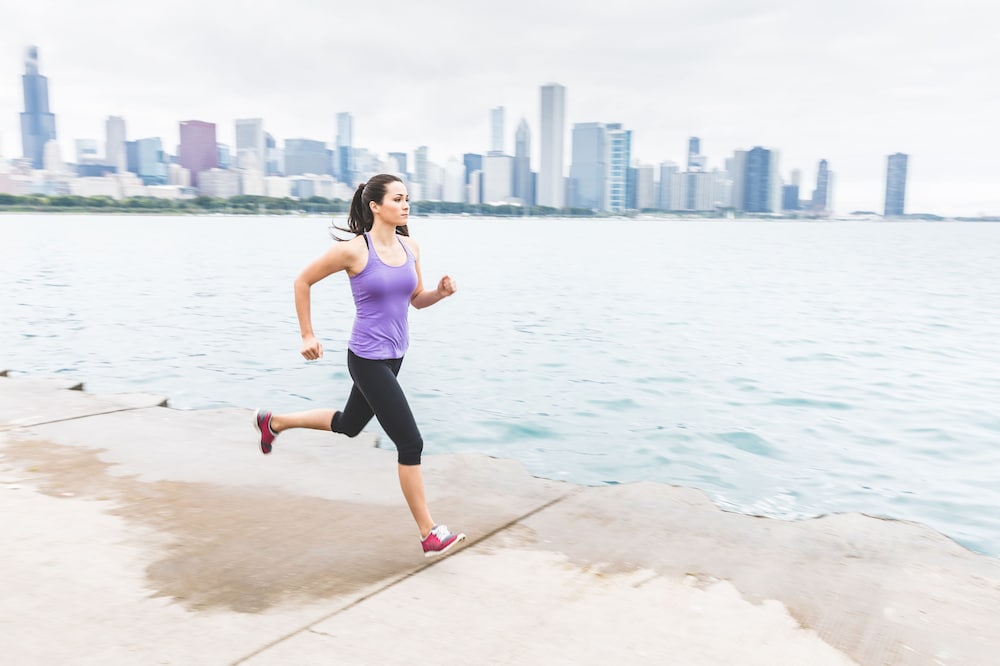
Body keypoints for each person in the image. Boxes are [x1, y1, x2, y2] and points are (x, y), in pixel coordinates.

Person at [253, 173, 465, 558]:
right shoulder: (354, 251)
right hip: (367, 359)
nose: (405, 205)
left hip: (396, 355)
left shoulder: (411, 246)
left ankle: (274, 423)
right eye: (398, 199)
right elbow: (302, 282)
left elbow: (416, 299)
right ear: (375, 206)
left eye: (407, 199)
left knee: (350, 426)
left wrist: (441, 293)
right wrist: (307, 335)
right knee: (410, 442)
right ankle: (428, 532)